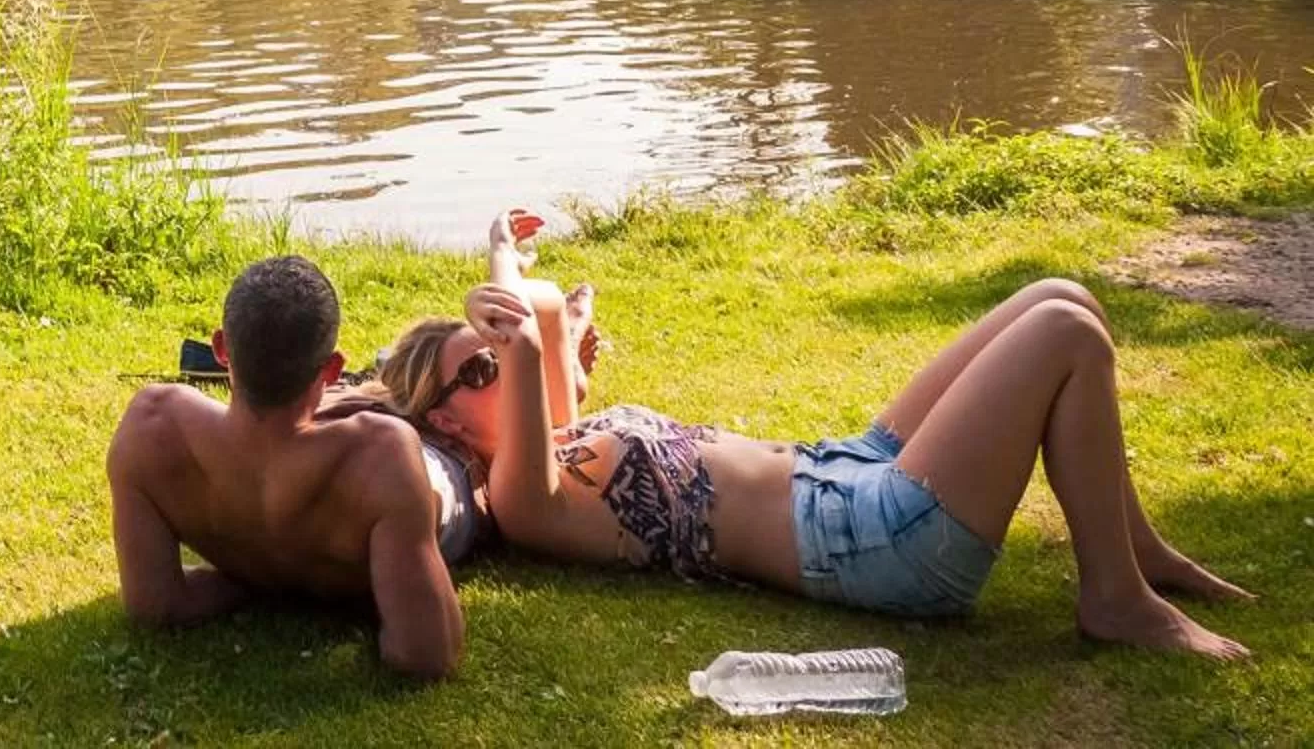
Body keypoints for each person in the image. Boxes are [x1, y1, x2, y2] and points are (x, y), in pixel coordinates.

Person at [382, 214, 1249, 658]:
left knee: (1059, 296)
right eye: (483, 365)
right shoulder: (525, 505)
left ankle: (1138, 550)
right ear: (448, 421)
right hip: (871, 541)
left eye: (491, 353)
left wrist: (506, 258)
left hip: (848, 469)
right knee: (1068, 338)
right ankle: (1115, 601)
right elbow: (529, 330)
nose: (502, 355)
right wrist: (503, 307)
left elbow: (536, 320)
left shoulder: (557, 442)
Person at [107, 256, 465, 676]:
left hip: (362, 448)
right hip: (441, 471)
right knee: (463, 381)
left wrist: (253, 580)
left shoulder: (152, 426)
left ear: (221, 349)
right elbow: (426, 655)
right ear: (333, 369)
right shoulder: (381, 453)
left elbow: (156, 604)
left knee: (415, 374)